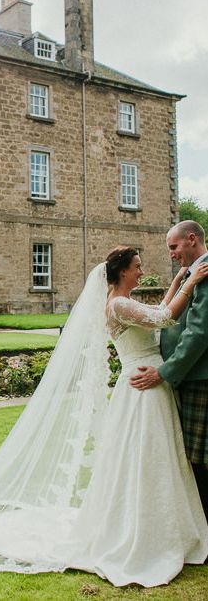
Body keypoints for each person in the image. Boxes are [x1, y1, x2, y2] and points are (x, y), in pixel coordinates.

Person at [0, 247, 208, 587]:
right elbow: (165, 318)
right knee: (144, 458)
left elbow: (157, 311)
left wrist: (174, 283)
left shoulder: (124, 302)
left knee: (156, 458)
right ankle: (140, 533)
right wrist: (190, 283)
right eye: (138, 267)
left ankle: (164, 528)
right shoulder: (118, 304)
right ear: (122, 271)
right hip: (142, 390)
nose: (142, 273)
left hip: (147, 387)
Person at [130, 221, 208, 520]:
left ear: (191, 239)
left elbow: (199, 333)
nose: (172, 254)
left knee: (199, 458)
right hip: (189, 376)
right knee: (191, 456)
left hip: (199, 377)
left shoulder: (205, 272)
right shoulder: (192, 273)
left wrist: (164, 372)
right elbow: (165, 314)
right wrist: (180, 282)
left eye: (174, 247)